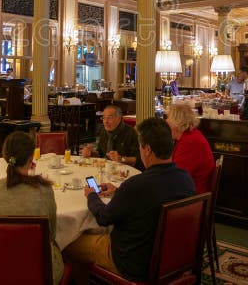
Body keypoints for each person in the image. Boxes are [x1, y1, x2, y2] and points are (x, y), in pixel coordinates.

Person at [64, 118, 196, 281]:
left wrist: (91, 195)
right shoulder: (185, 179)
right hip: (171, 258)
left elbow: (104, 218)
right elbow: (152, 198)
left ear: (147, 149)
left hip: (132, 262)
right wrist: (119, 191)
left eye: (140, 146)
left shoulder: (137, 185)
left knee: (68, 241)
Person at [0, 132, 64, 284]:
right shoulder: (44, 189)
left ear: (6, 156)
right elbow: (51, 234)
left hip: (0, 269)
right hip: (40, 272)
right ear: (31, 159)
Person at [166, 103, 215, 194]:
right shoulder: (189, 136)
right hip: (190, 189)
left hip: (192, 197)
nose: (166, 121)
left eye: (168, 117)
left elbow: (176, 177)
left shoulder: (190, 142)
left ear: (177, 121)